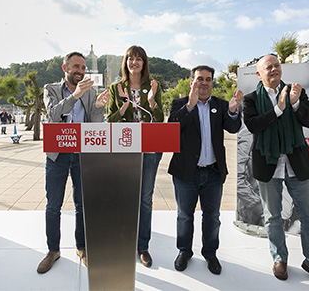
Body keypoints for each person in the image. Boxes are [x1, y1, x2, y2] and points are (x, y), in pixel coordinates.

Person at [243, 55, 309, 290]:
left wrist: (295, 104)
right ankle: (279, 259)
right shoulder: (251, 99)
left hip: (296, 163)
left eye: (277, 65)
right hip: (268, 164)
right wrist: (278, 109)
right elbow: (253, 125)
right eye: (269, 67)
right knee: (273, 217)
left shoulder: (295, 92)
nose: (274, 69)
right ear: (259, 73)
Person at [37, 51, 109, 274]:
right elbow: (53, 115)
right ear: (65, 68)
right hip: (57, 156)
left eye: (83, 68)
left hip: (82, 156)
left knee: (82, 205)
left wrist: (98, 107)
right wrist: (75, 95)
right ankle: (53, 250)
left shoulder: (89, 92)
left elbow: (95, 125)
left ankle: (82, 247)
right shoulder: (51, 89)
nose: (80, 71)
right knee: (53, 205)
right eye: (76, 67)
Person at [167, 65, 242, 275]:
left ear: (212, 82)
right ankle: (184, 251)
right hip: (186, 173)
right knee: (184, 216)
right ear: (192, 82)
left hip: (213, 173)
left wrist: (234, 111)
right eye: (199, 79)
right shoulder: (179, 104)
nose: (204, 83)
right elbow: (172, 127)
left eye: (208, 79)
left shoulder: (220, 104)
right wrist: (189, 107)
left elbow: (233, 128)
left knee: (212, 217)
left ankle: (210, 253)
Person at [107, 45, 163, 268]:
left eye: (139, 59)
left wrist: (151, 101)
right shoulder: (116, 87)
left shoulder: (153, 86)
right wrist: (124, 105)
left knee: (145, 198)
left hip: (150, 148)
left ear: (144, 63)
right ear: (126, 62)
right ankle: (123, 243)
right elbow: (110, 121)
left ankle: (143, 247)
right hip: (125, 147)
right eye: (131, 58)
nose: (134, 62)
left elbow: (159, 121)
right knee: (125, 196)